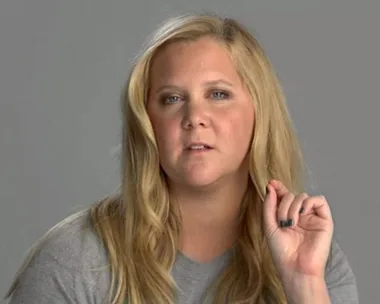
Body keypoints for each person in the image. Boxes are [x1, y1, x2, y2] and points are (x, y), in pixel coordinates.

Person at [5, 12, 358, 304]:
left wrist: (304, 284)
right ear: (148, 123)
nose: (195, 116)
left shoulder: (314, 258)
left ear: (259, 113)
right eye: (172, 98)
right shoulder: (74, 260)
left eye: (218, 94)